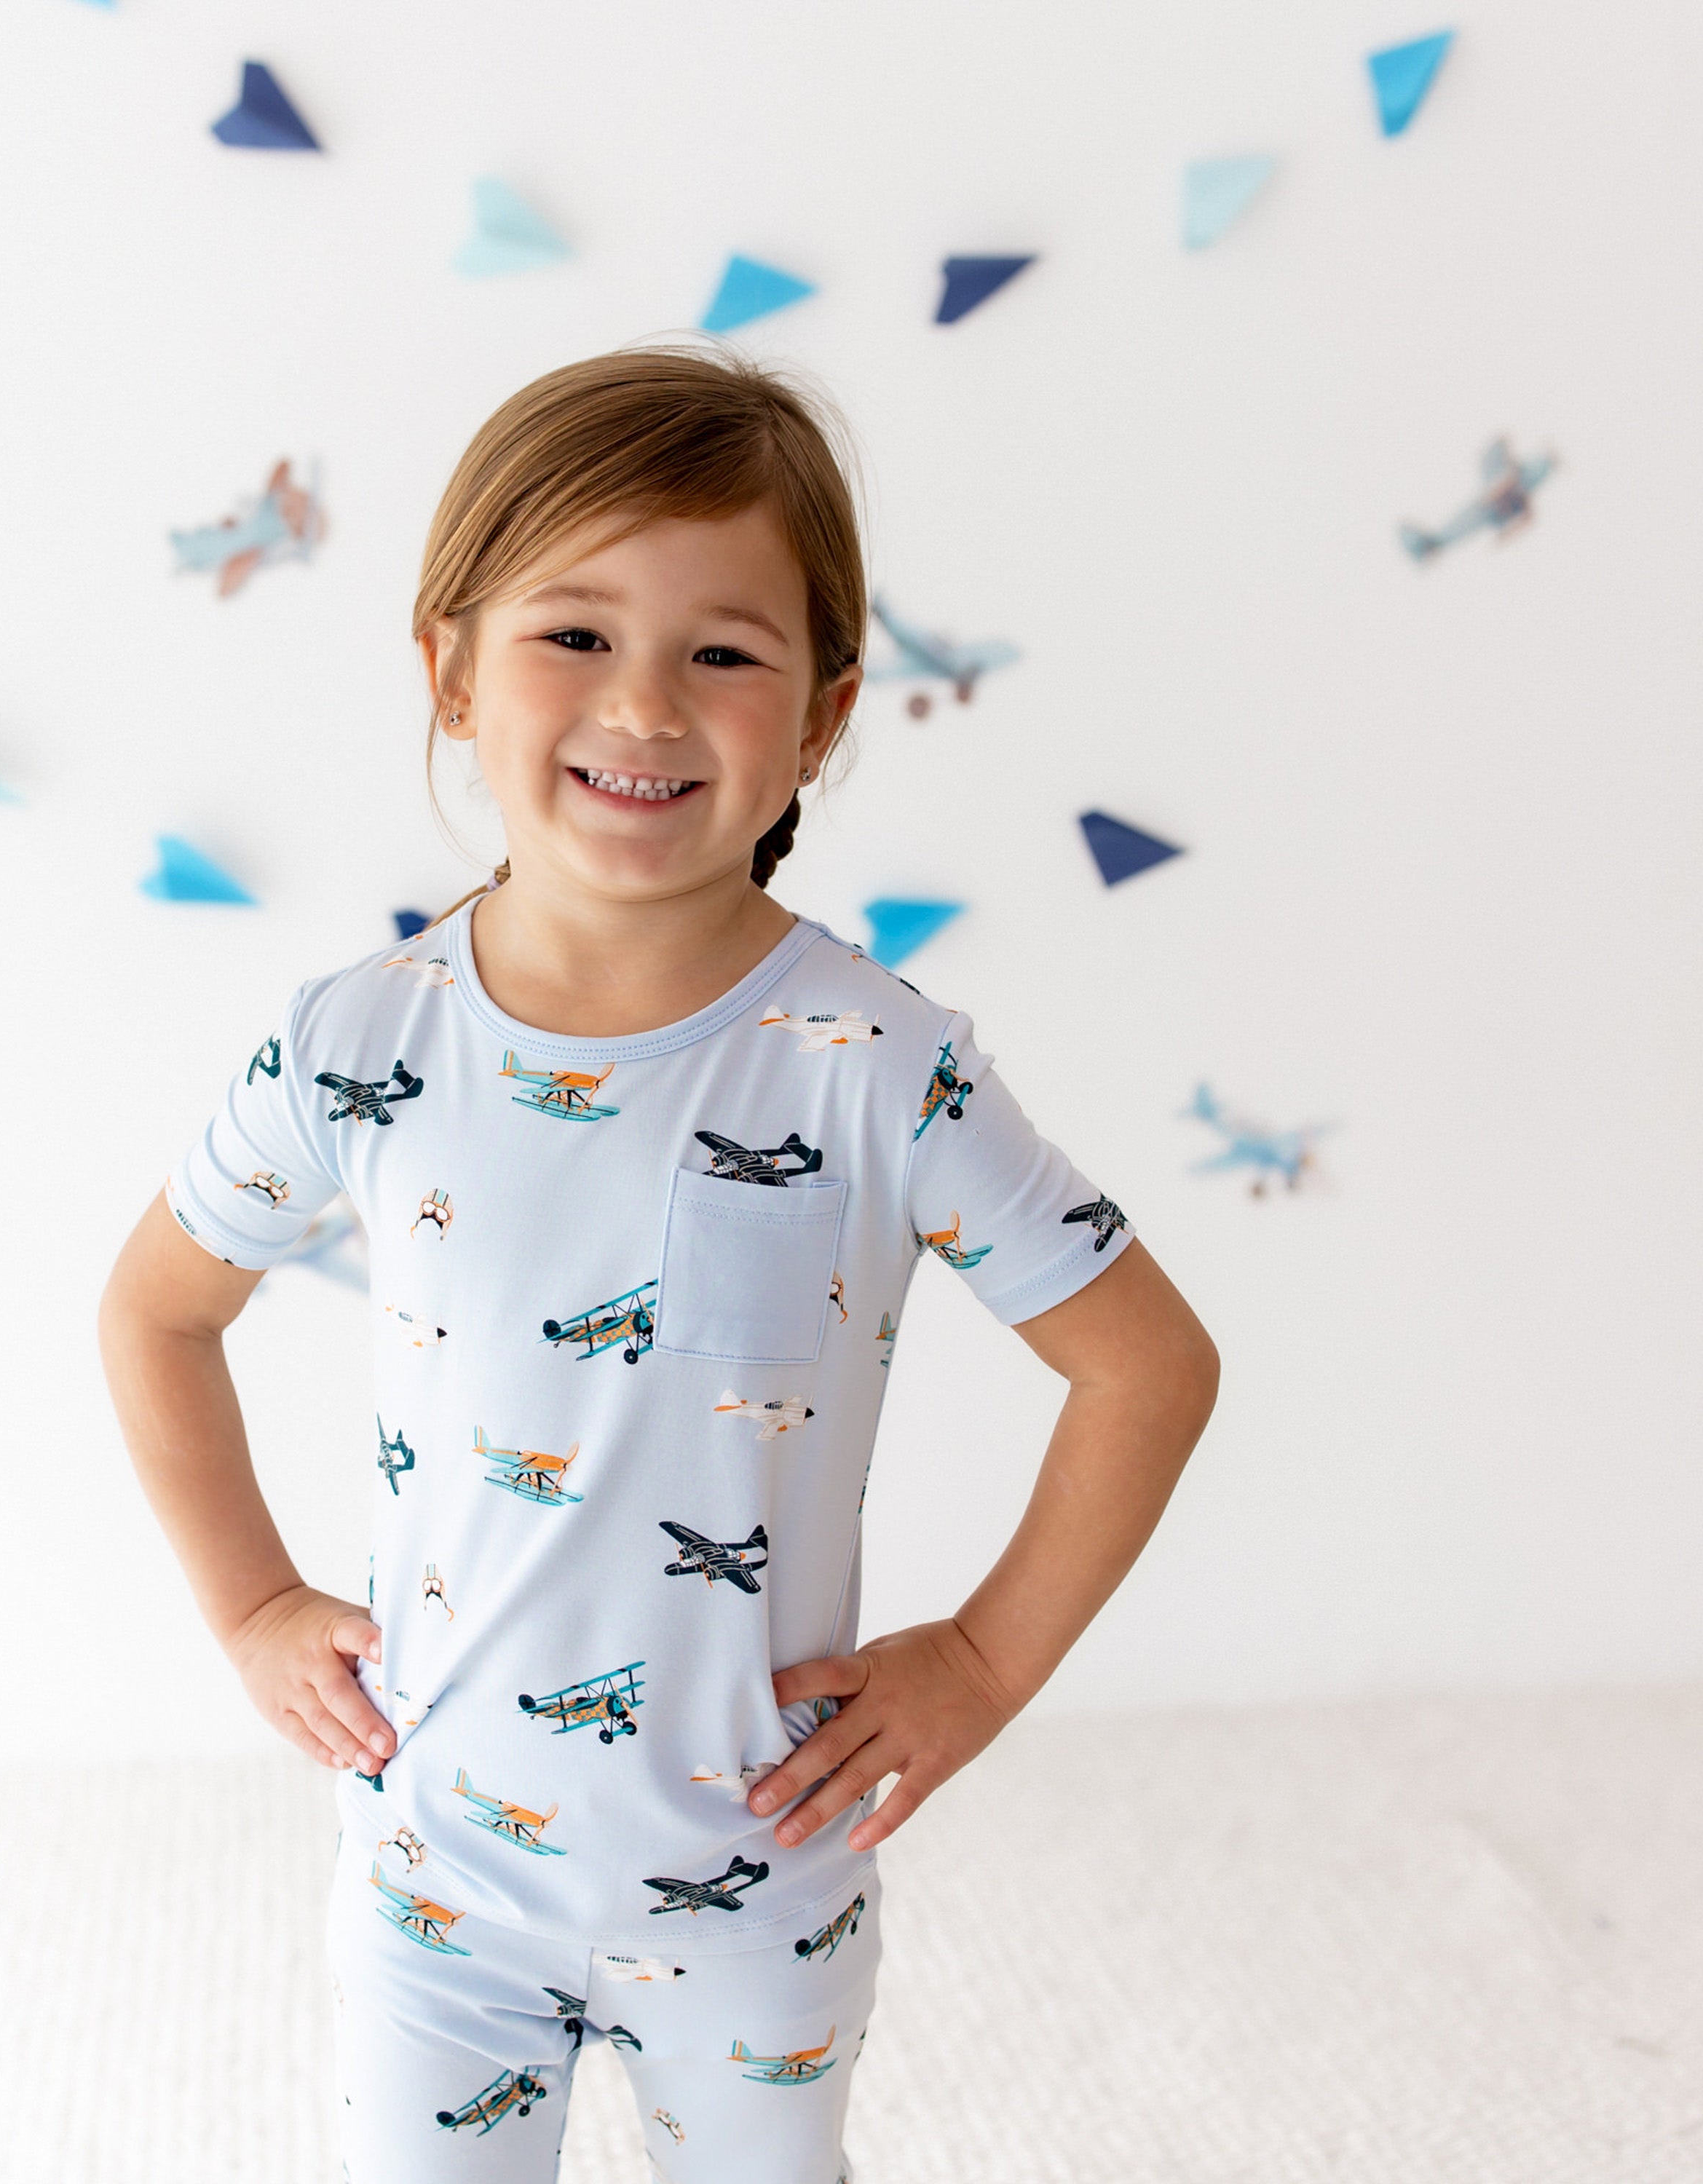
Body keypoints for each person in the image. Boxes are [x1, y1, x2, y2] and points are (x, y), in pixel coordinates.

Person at [97, 344, 1220, 2183]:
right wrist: (249, 1609)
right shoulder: (351, 1045)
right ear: (450, 668)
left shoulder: (880, 1063)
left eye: (725, 651)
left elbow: (1150, 1365)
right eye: (572, 635)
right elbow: (155, 1310)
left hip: (759, 1886)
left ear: (825, 714)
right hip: (434, 1880)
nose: (646, 703)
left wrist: (986, 1666)